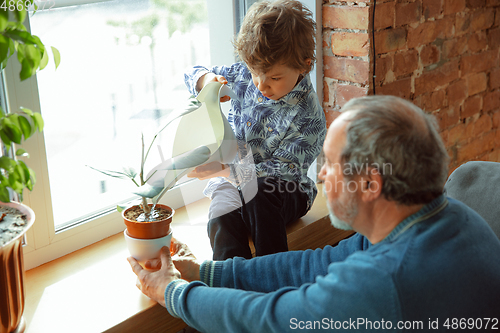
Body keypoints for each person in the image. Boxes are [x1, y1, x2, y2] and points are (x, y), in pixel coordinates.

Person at [128, 95, 500, 332]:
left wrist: (173, 291)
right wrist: (207, 272)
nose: (320, 173)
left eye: (331, 164)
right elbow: (318, 264)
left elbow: (270, 319)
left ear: (371, 185)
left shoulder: (387, 278)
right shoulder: (444, 218)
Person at [184, 0, 327, 260]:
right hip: (233, 183)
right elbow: (191, 73)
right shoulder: (242, 77)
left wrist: (226, 169)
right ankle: (231, 285)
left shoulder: (309, 115)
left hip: (285, 191)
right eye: (254, 71)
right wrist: (208, 82)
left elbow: (282, 171)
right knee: (221, 217)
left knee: (260, 193)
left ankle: (271, 278)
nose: (261, 85)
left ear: (304, 66)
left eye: (274, 78)